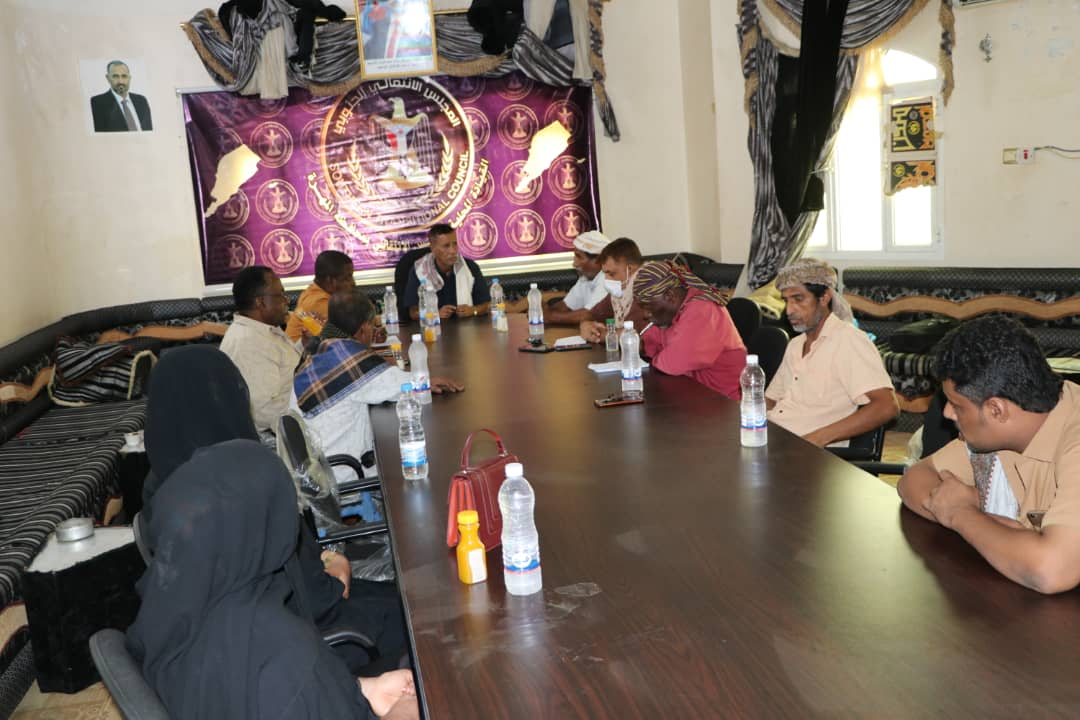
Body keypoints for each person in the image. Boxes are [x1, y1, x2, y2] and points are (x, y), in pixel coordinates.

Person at [142, 345, 409, 674]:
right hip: (314, 648)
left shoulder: (161, 483)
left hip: (249, 647)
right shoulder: (241, 486)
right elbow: (320, 600)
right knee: (421, 617)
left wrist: (321, 559)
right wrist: (335, 566)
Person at [127, 440, 419, 719]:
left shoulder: (163, 613)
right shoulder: (283, 653)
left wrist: (361, 689)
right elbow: (292, 695)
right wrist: (407, 709)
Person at [897, 316, 1080, 594]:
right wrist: (991, 526)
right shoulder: (1011, 427)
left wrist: (962, 515)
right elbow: (914, 480)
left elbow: (1050, 571)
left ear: (996, 410)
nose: (947, 413)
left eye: (957, 406)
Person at [294, 288, 463, 485]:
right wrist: (427, 380)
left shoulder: (320, 346)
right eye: (373, 326)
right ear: (363, 329)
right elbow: (404, 384)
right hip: (341, 475)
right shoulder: (352, 360)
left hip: (313, 468)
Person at [765, 258, 898, 447]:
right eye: (786, 301)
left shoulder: (848, 341)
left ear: (824, 297)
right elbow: (770, 399)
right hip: (775, 441)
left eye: (798, 299)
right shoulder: (795, 344)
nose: (789, 310)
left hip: (811, 454)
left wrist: (814, 440)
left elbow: (886, 406)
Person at [633, 260, 746, 399]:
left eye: (648, 308)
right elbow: (647, 343)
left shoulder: (702, 310)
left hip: (723, 402)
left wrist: (657, 355)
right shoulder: (671, 313)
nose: (645, 314)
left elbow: (672, 363)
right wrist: (639, 344)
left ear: (670, 296)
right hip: (695, 395)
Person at [220, 266, 304, 435]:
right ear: (260, 302)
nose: (286, 301)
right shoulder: (247, 343)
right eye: (280, 295)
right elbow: (265, 413)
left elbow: (285, 366)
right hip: (279, 436)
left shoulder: (262, 329)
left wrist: (305, 345)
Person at [404, 224, 491, 321]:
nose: (453, 251)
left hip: (467, 326)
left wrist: (473, 310)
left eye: (455, 244)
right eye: (446, 246)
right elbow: (413, 313)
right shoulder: (419, 270)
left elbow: (487, 305)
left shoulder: (469, 267)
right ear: (433, 248)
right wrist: (435, 314)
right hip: (434, 327)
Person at [579, 237, 649, 341]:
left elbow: (632, 333)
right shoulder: (619, 291)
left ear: (630, 269)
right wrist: (585, 325)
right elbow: (591, 314)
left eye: (611, 274)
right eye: (605, 274)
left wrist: (597, 334)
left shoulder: (645, 285)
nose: (607, 279)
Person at [537, 230, 611, 325]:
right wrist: (544, 309)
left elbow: (589, 315)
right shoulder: (585, 278)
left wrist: (550, 317)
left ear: (598, 260)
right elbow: (565, 306)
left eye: (579, 257)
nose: (574, 264)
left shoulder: (608, 278)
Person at [285, 250, 356, 342]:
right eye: (347, 278)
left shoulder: (314, 292)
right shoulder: (318, 302)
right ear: (330, 280)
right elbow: (347, 336)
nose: (353, 283)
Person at [90, 60, 152, 132]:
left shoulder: (141, 101)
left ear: (129, 78)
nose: (120, 81)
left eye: (124, 76)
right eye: (115, 76)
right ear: (108, 78)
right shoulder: (98, 103)